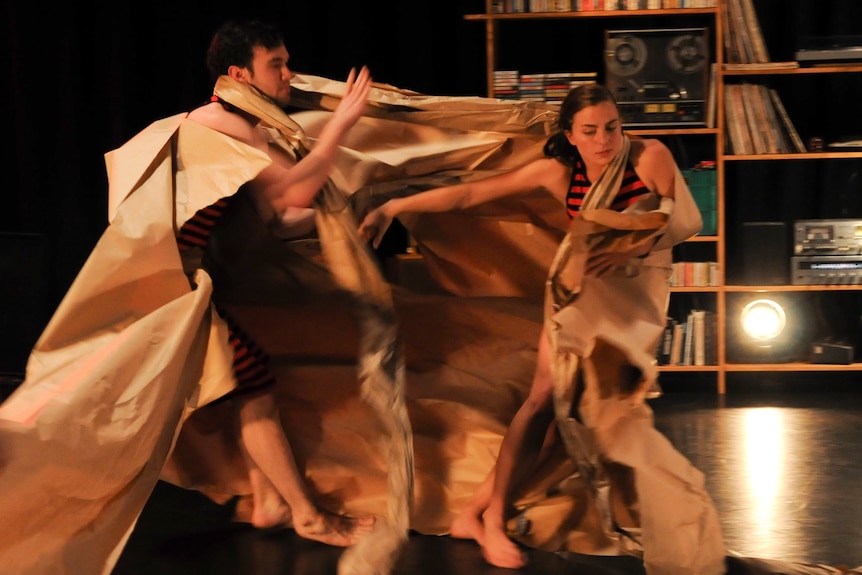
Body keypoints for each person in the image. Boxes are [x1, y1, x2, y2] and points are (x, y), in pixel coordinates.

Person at [358, 83, 715, 570]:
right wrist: (391, 208)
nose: (605, 140)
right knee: (543, 397)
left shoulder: (648, 157)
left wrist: (628, 249)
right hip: (577, 296)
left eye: (612, 127)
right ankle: (493, 521)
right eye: (590, 131)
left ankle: (475, 511)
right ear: (570, 135)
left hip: (634, 299)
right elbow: (471, 193)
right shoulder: (558, 173)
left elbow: (680, 221)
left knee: (575, 417)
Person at [180, 19, 375, 545]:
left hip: (190, 284)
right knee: (255, 385)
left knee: (254, 380)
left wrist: (349, 216)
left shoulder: (250, 125)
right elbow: (293, 190)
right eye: (277, 65)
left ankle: (269, 503)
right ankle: (306, 515)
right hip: (168, 289)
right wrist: (343, 124)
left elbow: (276, 219)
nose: (290, 74)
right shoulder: (217, 121)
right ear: (240, 73)